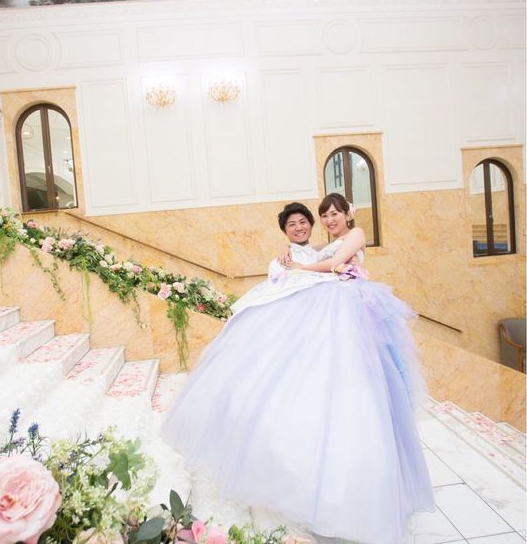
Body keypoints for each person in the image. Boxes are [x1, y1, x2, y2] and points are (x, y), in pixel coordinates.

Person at [160, 194, 434, 544]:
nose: (330, 219)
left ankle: (361, 490)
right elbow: (314, 250)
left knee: (362, 388)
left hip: (353, 308)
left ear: (347, 215)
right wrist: (289, 252)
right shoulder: (327, 241)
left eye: (335, 214)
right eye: (325, 215)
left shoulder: (357, 234)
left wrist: (299, 269)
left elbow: (334, 261)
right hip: (334, 301)